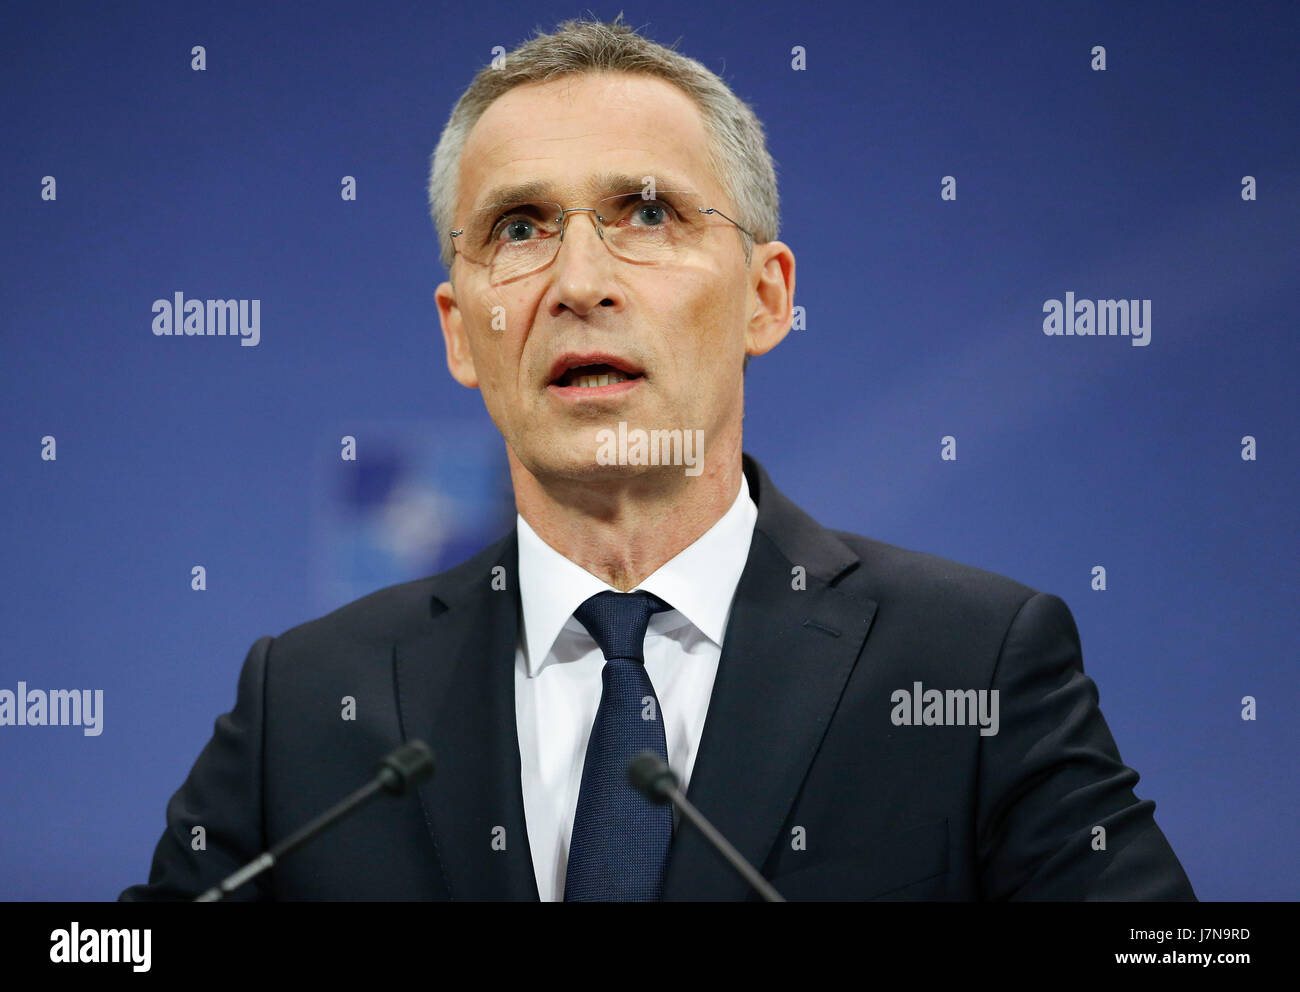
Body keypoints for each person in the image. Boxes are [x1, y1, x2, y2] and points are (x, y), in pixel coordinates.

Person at [120, 16, 1195, 902]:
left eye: (646, 212)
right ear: (460, 331)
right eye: (520, 227)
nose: (579, 279)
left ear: (766, 297)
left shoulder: (971, 664)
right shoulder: (308, 702)